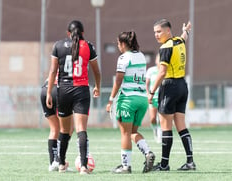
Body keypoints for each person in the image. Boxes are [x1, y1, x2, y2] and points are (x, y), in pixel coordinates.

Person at [46, 20, 101, 174]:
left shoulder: (58, 45)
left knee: (64, 131)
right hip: (81, 90)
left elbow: (52, 71)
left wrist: (49, 92)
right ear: (83, 33)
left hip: (63, 90)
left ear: (68, 33)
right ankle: (84, 166)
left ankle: (62, 164)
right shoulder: (88, 46)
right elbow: (97, 71)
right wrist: (97, 86)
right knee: (81, 129)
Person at [149, 19, 196, 171]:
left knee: (166, 127)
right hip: (182, 85)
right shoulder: (179, 41)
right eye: (155, 32)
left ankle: (164, 165)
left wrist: (151, 91)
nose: (156, 35)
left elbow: (162, 72)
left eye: (159, 31)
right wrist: (186, 30)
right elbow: (184, 37)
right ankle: (190, 162)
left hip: (169, 87)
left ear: (168, 30)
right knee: (181, 125)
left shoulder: (165, 47)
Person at [106, 31, 155, 174]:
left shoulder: (123, 58)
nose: (118, 46)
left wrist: (110, 100)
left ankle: (126, 166)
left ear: (123, 44)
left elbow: (118, 80)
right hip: (142, 99)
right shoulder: (140, 56)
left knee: (125, 133)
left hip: (128, 99)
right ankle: (148, 152)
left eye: (118, 43)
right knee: (133, 132)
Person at [40, 77, 74, 172]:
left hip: (45, 88)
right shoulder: (74, 62)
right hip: (59, 89)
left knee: (54, 129)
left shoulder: (57, 61)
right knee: (69, 128)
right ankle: (59, 161)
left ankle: (53, 164)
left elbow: (53, 71)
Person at [146, 54, 162, 143]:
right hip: (152, 98)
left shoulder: (164, 70)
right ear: (156, 60)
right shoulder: (151, 70)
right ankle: (155, 130)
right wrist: (148, 94)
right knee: (152, 118)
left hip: (162, 98)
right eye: (158, 59)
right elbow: (146, 84)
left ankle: (160, 134)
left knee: (161, 118)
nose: (159, 61)